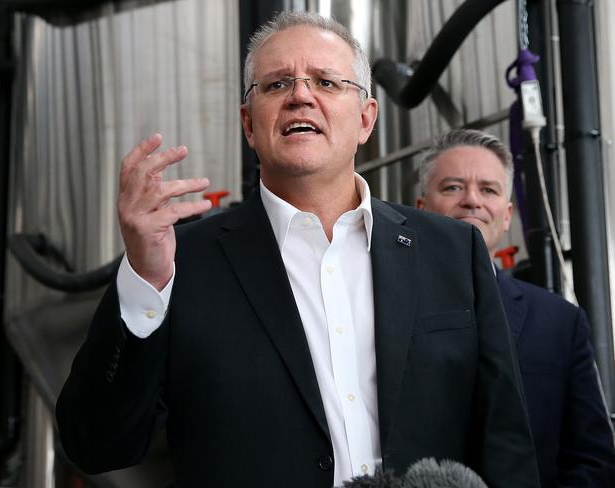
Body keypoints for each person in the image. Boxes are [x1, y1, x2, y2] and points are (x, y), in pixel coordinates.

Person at [56, 13, 540, 488]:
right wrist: (144, 280)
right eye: (276, 85)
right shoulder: (182, 263)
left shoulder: (452, 250)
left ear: (366, 119)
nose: (301, 96)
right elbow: (97, 446)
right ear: (249, 124)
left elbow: (506, 442)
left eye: (327, 83)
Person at [416, 128, 615, 488]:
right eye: (452, 187)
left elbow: (592, 458)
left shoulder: (559, 322)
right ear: (421, 208)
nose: (472, 201)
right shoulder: (380, 307)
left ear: (507, 215)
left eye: (488, 190)